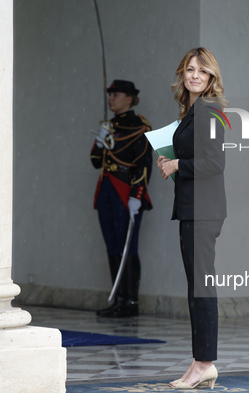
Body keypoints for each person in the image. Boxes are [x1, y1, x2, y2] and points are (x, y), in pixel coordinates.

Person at [157, 47, 227, 389]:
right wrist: (171, 161)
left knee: (201, 288)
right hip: (193, 208)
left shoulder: (210, 111)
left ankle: (205, 363)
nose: (194, 75)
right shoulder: (193, 111)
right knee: (196, 287)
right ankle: (200, 361)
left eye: (201, 70)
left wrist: (177, 165)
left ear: (211, 77)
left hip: (203, 210)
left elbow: (215, 164)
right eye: (189, 69)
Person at [90, 80, 153, 318]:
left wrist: (137, 196)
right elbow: (96, 162)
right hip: (106, 190)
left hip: (126, 191)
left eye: (115, 94)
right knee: (113, 247)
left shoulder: (141, 126)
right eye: (110, 94)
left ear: (129, 98)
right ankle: (118, 299)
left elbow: (144, 165)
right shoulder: (108, 126)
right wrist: (99, 139)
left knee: (128, 248)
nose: (111, 98)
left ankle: (130, 302)